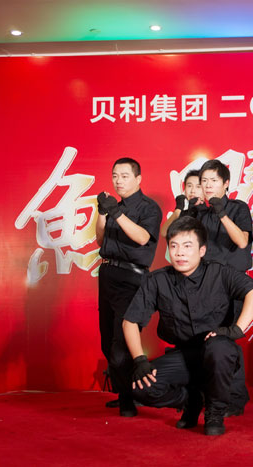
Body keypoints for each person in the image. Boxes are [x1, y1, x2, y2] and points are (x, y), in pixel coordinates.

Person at [122, 217, 253, 435]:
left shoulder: (220, 273)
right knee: (140, 386)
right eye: (174, 246)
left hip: (219, 355)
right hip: (184, 356)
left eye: (187, 246)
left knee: (219, 348)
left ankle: (214, 413)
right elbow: (130, 321)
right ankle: (192, 400)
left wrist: (236, 330)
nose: (179, 253)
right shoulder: (157, 280)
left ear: (202, 250)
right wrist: (140, 360)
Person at [95, 157, 162, 417]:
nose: (118, 181)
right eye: (115, 176)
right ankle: (126, 392)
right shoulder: (115, 206)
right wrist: (102, 214)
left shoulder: (149, 208)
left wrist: (116, 213)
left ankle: (128, 400)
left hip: (132, 279)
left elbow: (143, 238)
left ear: (138, 179)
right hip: (108, 274)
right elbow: (100, 240)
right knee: (106, 341)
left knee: (121, 343)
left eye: (124, 176)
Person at [187, 159, 253, 416]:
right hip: (203, 284)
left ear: (226, 183)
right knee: (203, 341)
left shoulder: (238, 208)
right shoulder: (199, 213)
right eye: (204, 181)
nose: (207, 186)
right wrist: (186, 212)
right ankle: (207, 397)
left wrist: (222, 213)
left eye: (213, 181)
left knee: (227, 341)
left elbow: (242, 241)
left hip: (231, 283)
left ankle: (234, 399)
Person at [159, 169, 203, 239]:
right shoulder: (183, 214)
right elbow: (164, 232)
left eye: (198, 187)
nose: (192, 191)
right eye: (189, 186)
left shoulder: (210, 213)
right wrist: (178, 209)